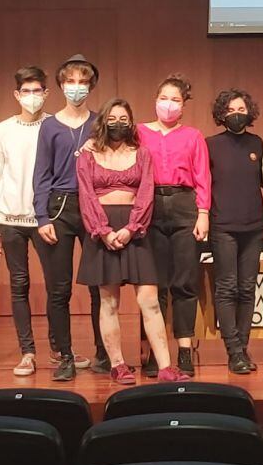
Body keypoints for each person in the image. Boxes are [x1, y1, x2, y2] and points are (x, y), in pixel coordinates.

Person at [76, 98, 189, 385]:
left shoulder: (142, 153)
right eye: (112, 118)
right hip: (102, 231)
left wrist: (132, 227)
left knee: (149, 300)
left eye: (124, 119)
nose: (118, 123)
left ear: (131, 122)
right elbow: (86, 196)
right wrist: (103, 230)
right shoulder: (87, 154)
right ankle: (117, 365)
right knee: (109, 301)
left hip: (136, 231)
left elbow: (146, 192)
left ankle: (165, 365)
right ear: (103, 121)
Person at [32, 54, 109, 382]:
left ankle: (104, 353)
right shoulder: (49, 125)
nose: (76, 88)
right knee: (59, 289)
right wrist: (41, 217)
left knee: (99, 286)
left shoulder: (99, 122)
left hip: (95, 207)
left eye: (82, 82)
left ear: (90, 86)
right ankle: (64, 355)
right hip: (59, 209)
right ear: (61, 85)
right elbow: (41, 173)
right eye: (70, 82)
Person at [136, 74, 211, 377]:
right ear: (155, 100)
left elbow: (202, 176)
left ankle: (183, 350)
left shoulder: (193, 136)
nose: (169, 104)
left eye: (175, 100)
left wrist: (203, 213)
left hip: (184, 205)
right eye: (164, 98)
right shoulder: (139, 132)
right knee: (155, 285)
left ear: (183, 105)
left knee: (184, 281)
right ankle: (157, 351)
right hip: (150, 206)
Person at [0, 65, 51, 376]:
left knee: (56, 286)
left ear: (47, 94)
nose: (32, 97)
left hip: (45, 219)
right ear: (16, 95)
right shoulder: (2, 130)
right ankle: (27, 352)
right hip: (9, 219)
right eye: (26, 91)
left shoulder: (55, 126)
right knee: (19, 284)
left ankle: (62, 350)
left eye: (37, 91)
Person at [207, 88, 263, 374]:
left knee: (247, 287)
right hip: (222, 226)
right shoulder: (211, 145)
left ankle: (243, 347)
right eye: (231, 110)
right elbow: (202, 186)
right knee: (227, 286)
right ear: (221, 114)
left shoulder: (257, 143)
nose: (237, 114)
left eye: (241, 109)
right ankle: (232, 350)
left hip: (254, 225)